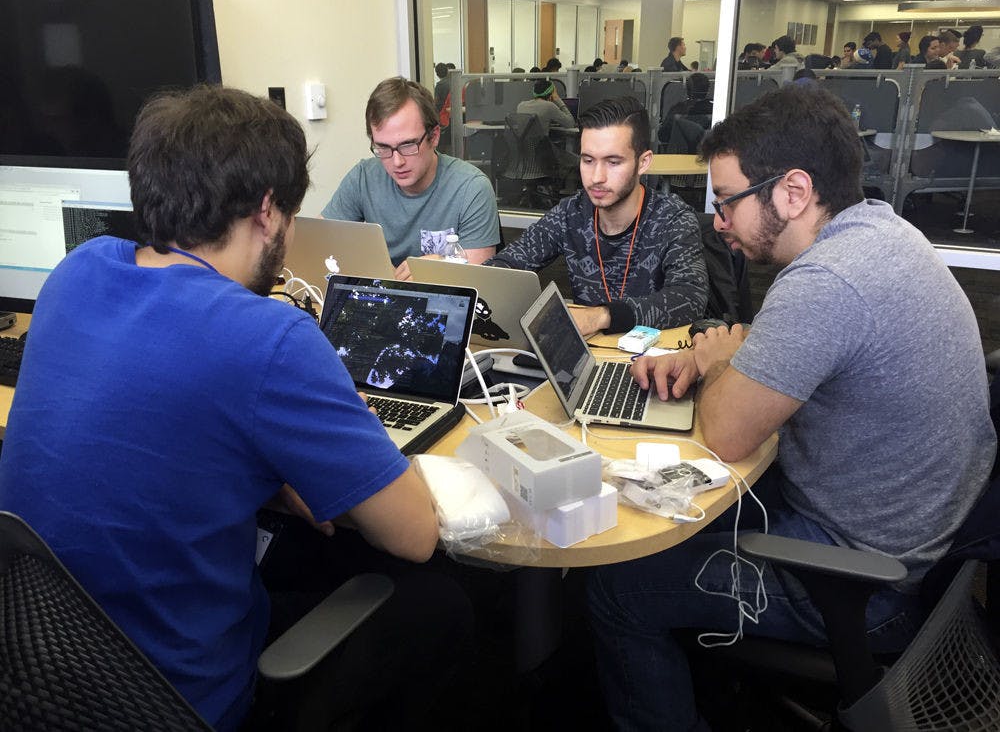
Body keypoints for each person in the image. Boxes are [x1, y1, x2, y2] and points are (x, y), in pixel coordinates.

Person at [0, 85, 475, 731]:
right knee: (442, 603)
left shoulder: (77, 272)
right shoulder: (269, 338)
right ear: (268, 212)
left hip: (47, 672)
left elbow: (168, 424)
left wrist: (277, 470)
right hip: (181, 702)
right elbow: (415, 535)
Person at [588, 84, 996, 732]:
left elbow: (722, 434)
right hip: (919, 538)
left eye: (727, 202)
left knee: (616, 586)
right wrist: (707, 358)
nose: (719, 222)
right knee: (658, 528)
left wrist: (720, 363)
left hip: (861, 584)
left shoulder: (823, 283)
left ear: (794, 192)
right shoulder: (880, 233)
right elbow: (794, 348)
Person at [485, 96, 707, 336]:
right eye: (588, 160)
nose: (597, 177)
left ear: (643, 163)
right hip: (588, 356)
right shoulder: (571, 213)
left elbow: (690, 296)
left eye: (613, 162)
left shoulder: (673, 218)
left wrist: (603, 315)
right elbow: (507, 264)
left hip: (651, 358)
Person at [322, 77, 499, 280]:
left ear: (434, 137)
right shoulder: (363, 177)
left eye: (407, 145)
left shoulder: (472, 188)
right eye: (383, 147)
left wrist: (443, 266)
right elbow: (319, 239)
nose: (397, 161)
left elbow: (480, 275)